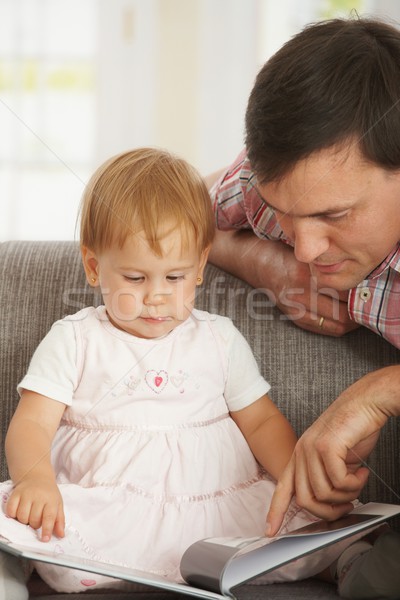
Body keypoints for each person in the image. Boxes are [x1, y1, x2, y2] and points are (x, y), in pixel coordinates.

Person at [0, 147, 397, 600]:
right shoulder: (75, 339)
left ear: (200, 267)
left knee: (301, 530)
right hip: (112, 506)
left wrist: (295, 477)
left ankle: (350, 564)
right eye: (135, 278)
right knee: (28, 524)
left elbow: (261, 421)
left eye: (175, 278)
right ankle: (9, 571)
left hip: (213, 505)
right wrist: (35, 479)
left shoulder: (218, 339)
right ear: (93, 266)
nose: (156, 297)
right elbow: (32, 422)